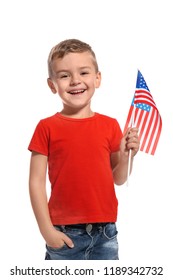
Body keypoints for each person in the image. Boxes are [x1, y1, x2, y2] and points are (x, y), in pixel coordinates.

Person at [28, 38, 139, 260]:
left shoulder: (110, 125)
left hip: (106, 233)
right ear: (52, 85)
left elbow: (117, 178)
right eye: (64, 75)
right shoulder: (46, 127)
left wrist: (128, 156)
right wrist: (47, 231)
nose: (75, 81)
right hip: (64, 233)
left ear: (97, 78)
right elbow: (36, 182)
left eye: (84, 72)